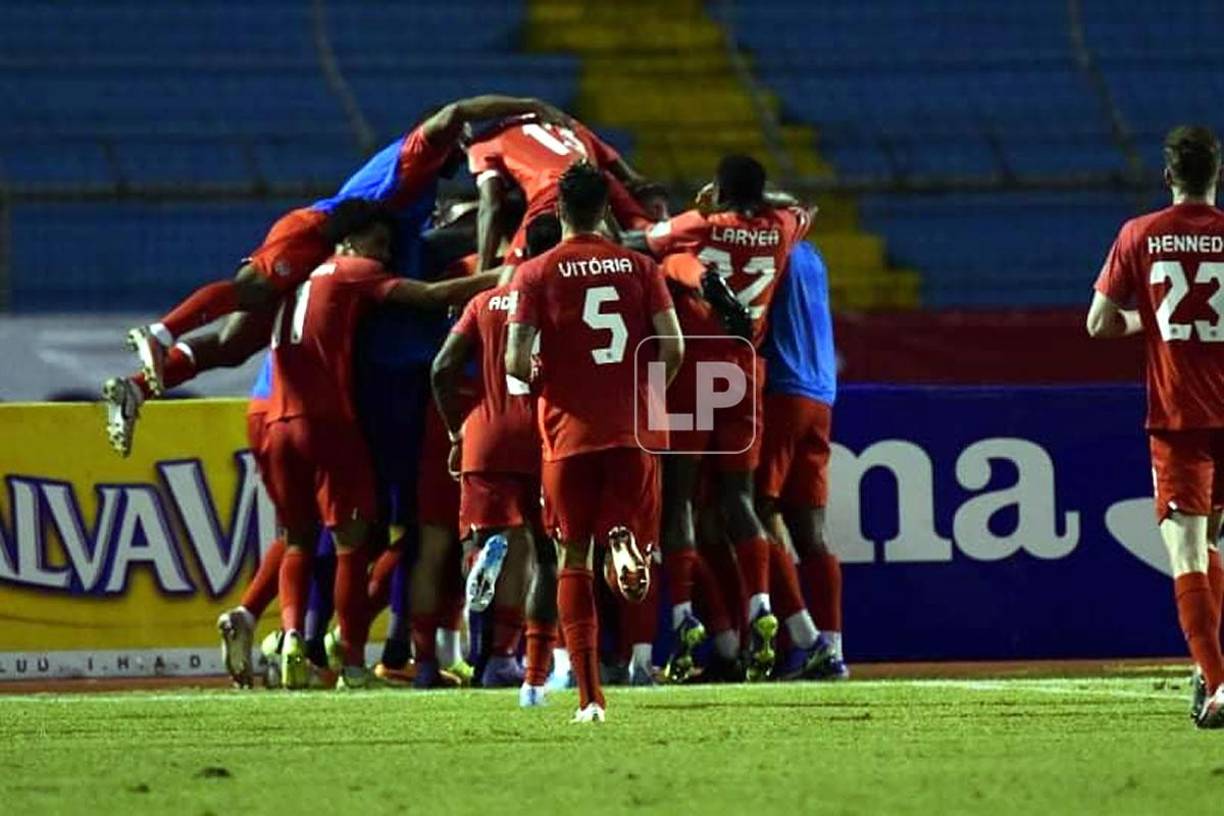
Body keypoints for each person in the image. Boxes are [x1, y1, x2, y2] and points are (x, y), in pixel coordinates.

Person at [103, 94, 567, 455]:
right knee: (251, 289)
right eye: (462, 141)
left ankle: (136, 389)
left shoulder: (423, 190)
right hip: (314, 233)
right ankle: (162, 332)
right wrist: (531, 106)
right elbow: (456, 111)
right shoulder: (419, 151)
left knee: (234, 345)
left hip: (328, 254)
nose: (464, 150)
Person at [260, 201, 501, 689]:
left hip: (272, 417)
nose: (385, 255)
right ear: (351, 241)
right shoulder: (353, 271)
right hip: (330, 421)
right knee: (358, 542)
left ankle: (291, 638)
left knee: (300, 539)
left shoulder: (295, 280)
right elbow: (433, 295)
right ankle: (352, 659)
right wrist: (506, 275)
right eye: (379, 243)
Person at [638, 154, 827, 681]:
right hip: (744, 368)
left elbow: (647, 243)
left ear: (718, 189)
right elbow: (803, 207)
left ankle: (681, 617)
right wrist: (761, 198)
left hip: (693, 362)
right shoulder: (782, 226)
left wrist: (706, 208)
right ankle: (765, 608)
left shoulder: (701, 226)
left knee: (679, 500)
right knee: (738, 500)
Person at [505, 162, 683, 722]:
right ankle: (627, 546)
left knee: (570, 558)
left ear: (558, 211)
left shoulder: (534, 273)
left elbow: (514, 362)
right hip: (633, 429)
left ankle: (589, 698)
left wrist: (542, 381)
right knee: (635, 542)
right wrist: (644, 393)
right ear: (606, 210)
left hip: (567, 436)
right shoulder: (639, 266)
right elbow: (672, 347)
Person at [1087, 124, 1224, 728]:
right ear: (1215, 176)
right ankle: (1209, 671)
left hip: (1179, 416)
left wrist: (1159, 319)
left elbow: (1100, 325)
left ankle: (1218, 681)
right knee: (1214, 541)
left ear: (1167, 177)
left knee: (1187, 550)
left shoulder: (1139, 234)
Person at [432, 214, 563, 701]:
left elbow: (442, 367)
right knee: (545, 555)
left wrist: (454, 430)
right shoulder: (562, 301)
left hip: (483, 433)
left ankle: (477, 566)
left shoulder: (483, 301)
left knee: (486, 541)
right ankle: (515, 660)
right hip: (545, 435)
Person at [755, 241, 848, 680]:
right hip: (822, 392)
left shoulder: (769, 247)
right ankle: (832, 647)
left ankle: (804, 635)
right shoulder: (814, 254)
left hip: (783, 389)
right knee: (811, 530)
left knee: (756, 511)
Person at [466, 114, 658, 271]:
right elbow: (633, 180)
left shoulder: (483, 143)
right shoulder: (567, 124)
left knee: (511, 275)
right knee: (652, 238)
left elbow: (491, 207)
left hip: (556, 188)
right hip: (599, 179)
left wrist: (481, 270)